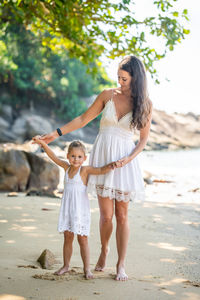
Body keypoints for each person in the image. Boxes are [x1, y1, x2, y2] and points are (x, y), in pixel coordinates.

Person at [33, 55, 152, 281]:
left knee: (122, 215)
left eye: (124, 78)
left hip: (125, 161)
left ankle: (121, 265)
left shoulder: (144, 103)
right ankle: (105, 250)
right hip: (102, 155)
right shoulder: (107, 95)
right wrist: (55, 134)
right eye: (118, 77)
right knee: (106, 216)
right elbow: (82, 119)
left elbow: (143, 140)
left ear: (136, 78)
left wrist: (129, 159)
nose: (120, 82)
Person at [32, 137, 117, 279]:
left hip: (80, 211)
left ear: (84, 158)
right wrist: (42, 144)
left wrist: (112, 165)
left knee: (82, 239)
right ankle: (66, 266)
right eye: (73, 156)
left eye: (79, 157)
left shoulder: (84, 171)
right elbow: (53, 156)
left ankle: (86, 269)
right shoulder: (66, 168)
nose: (76, 159)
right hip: (67, 210)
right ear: (68, 156)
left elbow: (101, 170)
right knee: (67, 238)